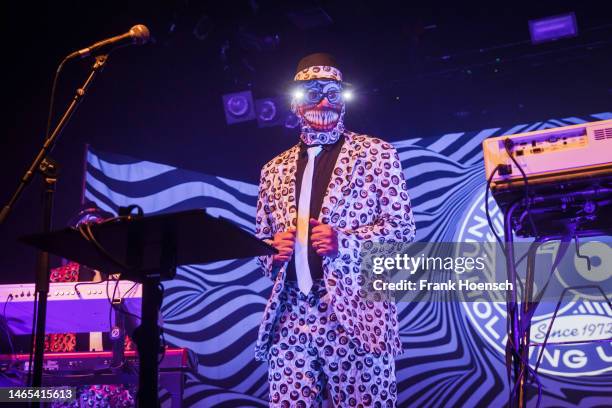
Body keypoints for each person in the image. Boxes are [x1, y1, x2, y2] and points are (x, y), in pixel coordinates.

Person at [254, 53, 416, 407]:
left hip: (358, 314)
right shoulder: (272, 170)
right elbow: (261, 246)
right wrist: (272, 251)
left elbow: (402, 233)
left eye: (332, 93)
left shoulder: (377, 154)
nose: (324, 102)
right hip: (290, 314)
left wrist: (345, 243)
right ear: (296, 103)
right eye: (312, 93)